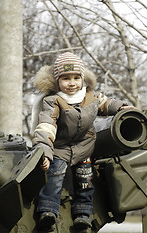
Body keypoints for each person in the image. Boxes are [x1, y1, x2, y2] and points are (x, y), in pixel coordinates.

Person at [31, 52, 132, 231]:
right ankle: (47, 211)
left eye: (77, 78)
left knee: (85, 182)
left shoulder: (90, 97)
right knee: (54, 178)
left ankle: (83, 215)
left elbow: (105, 104)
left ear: (83, 79)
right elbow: (46, 125)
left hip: (84, 148)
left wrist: (120, 107)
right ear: (57, 81)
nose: (72, 83)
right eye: (66, 78)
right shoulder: (53, 101)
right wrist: (44, 152)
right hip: (60, 149)